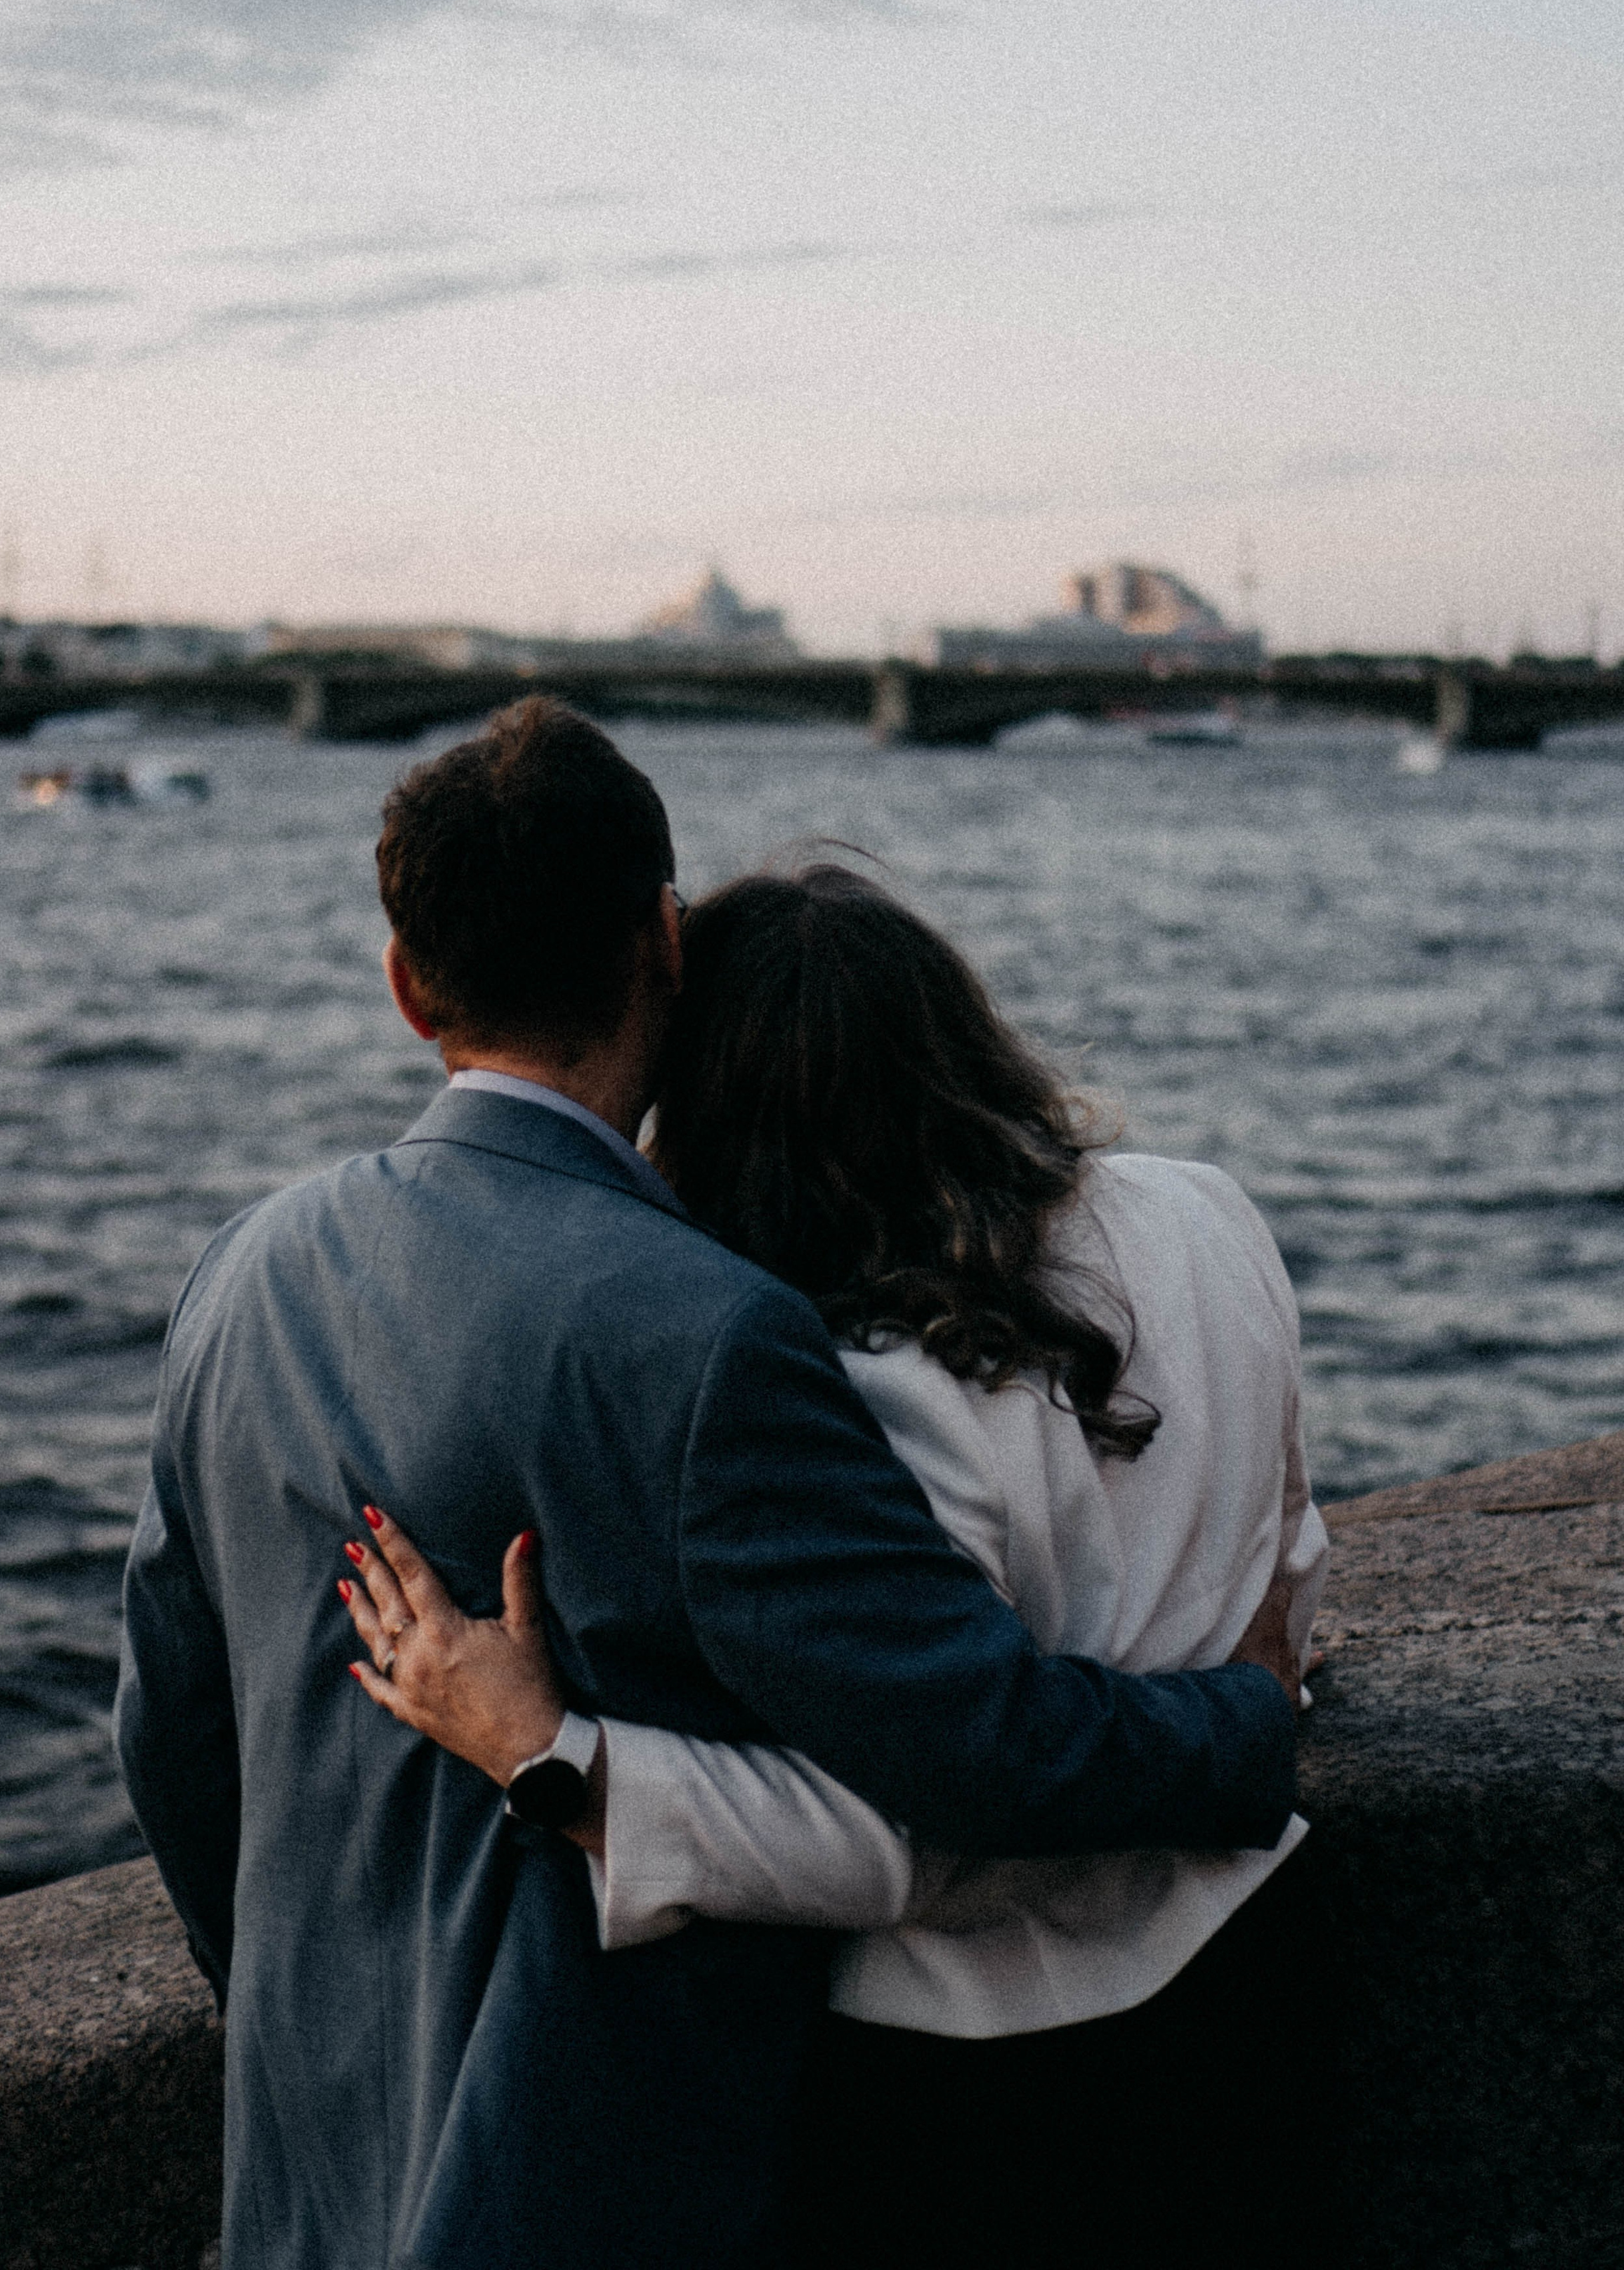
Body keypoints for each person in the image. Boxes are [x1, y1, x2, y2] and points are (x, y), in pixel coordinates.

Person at [115, 700, 1301, 2270]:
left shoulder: (239, 1273)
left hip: (302, 2176)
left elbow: (170, 1742)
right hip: (578, 2189)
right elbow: (973, 1749)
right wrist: (1249, 1721)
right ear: (663, 944)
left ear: (405, 986)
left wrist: (294, 2031)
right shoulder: (708, 1332)